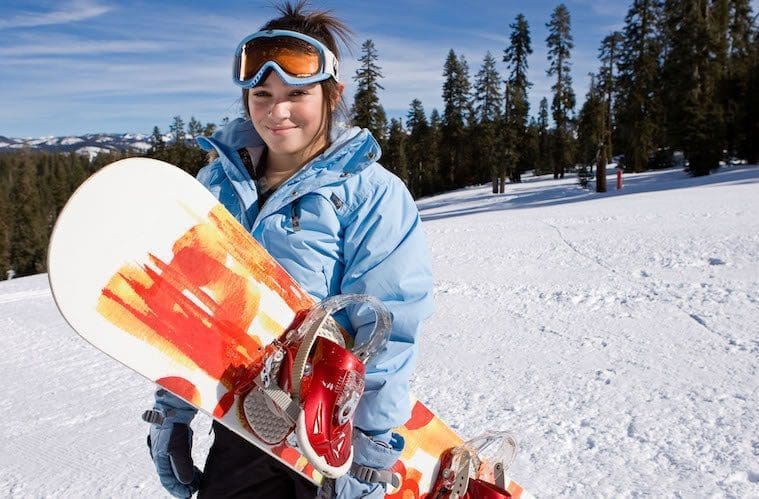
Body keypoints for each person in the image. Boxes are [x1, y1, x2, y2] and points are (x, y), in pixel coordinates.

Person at [144, 1, 434, 498]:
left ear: (333, 94)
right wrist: (171, 409)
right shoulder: (216, 185)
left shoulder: (370, 193)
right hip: (240, 424)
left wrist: (366, 452)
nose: (276, 111)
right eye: (262, 93)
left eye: (297, 93)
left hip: (323, 433)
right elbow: (194, 310)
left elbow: (388, 326)